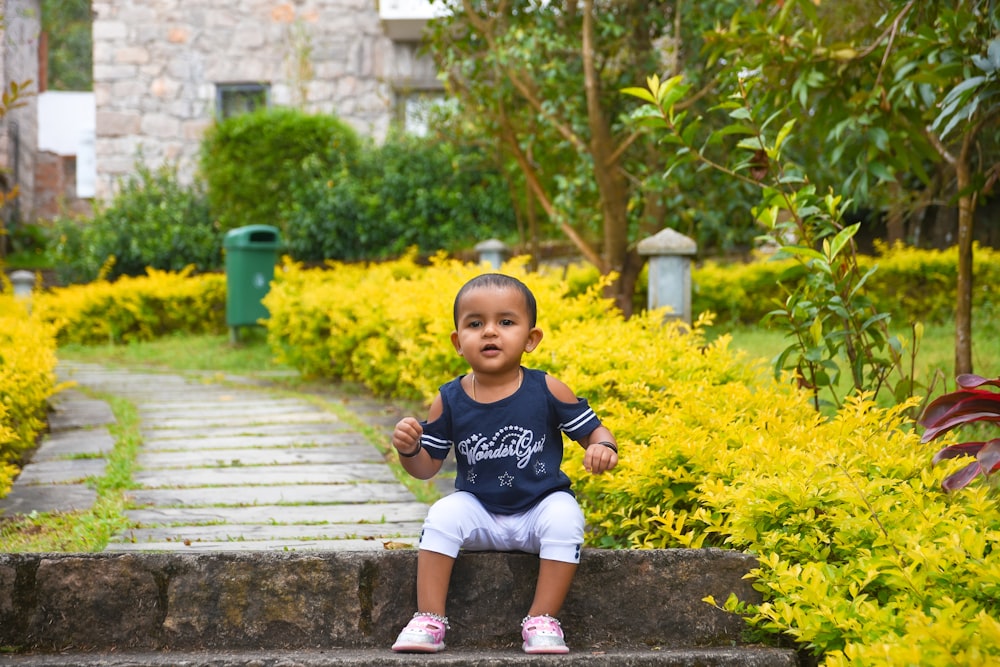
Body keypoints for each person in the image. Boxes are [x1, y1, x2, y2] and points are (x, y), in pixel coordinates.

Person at [389, 273, 619, 655]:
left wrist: (604, 447)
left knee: (566, 516)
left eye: (506, 322)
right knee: (444, 513)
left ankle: (542, 620)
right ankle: (429, 619)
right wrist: (409, 449)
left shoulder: (547, 389)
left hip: (539, 509)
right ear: (457, 341)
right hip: (480, 511)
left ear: (531, 339)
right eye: (475, 323)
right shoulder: (449, 399)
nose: (490, 332)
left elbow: (594, 431)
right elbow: (427, 468)